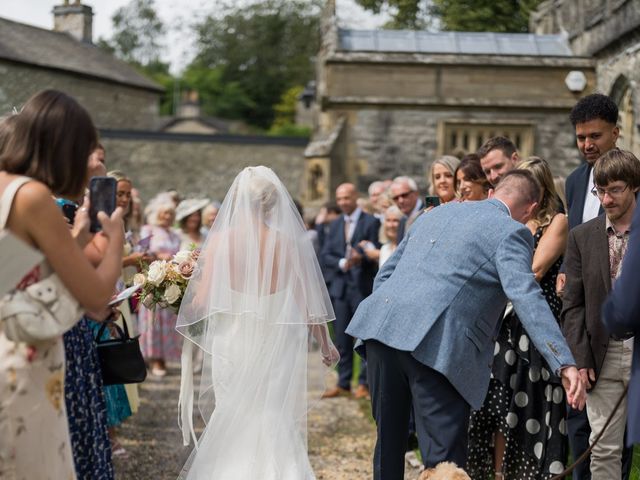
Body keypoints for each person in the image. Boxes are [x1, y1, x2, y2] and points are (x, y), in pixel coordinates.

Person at [346, 170, 586, 480]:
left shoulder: (435, 214)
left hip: (382, 329)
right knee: (443, 460)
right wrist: (563, 362)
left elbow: (385, 275)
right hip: (437, 345)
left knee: (388, 444)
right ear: (531, 208)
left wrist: (394, 313)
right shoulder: (512, 232)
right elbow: (526, 297)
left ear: (490, 193)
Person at [175, 166, 339, 479]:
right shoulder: (286, 243)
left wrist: (177, 287)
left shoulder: (221, 242)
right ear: (274, 206)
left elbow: (202, 303)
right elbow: (308, 303)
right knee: (271, 411)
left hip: (233, 340)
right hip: (274, 341)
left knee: (233, 408)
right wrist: (326, 343)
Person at [0, 90, 124, 479]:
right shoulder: (32, 195)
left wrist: (78, 239)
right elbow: (97, 296)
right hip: (25, 360)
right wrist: (115, 236)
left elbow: (12, 273)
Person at [467, 157, 569, 479]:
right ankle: (497, 473)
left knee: (528, 408)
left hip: (534, 324)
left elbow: (533, 272)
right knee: (499, 407)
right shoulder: (511, 225)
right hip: (504, 326)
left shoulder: (558, 222)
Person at [558, 93, 628, 480]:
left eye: (595, 136)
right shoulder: (574, 180)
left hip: (620, 314)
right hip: (581, 313)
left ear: (616, 132)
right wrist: (568, 269)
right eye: (581, 137)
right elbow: (575, 237)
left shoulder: (631, 176)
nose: (587, 144)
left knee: (615, 430)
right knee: (578, 412)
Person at [320, 183, 380, 399]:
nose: (343, 202)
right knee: (342, 337)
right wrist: (343, 262)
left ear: (355, 197)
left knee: (363, 336)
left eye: (347, 197)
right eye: (340, 198)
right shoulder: (334, 224)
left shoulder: (371, 222)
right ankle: (343, 382)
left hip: (363, 286)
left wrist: (360, 257)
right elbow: (325, 254)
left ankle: (363, 382)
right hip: (341, 287)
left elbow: (376, 250)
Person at [602, 177, 640, 447]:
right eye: (600, 191)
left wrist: (612, 313)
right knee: (603, 444)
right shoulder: (585, 234)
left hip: (626, 337)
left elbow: (624, 309)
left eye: (615, 190)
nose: (606, 199)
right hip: (602, 353)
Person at [137, 197, 182, 377]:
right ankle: (152, 357)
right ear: (157, 214)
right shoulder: (148, 230)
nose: (167, 217)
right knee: (152, 320)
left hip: (170, 280)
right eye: (164, 213)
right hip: (154, 278)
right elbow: (141, 253)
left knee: (167, 320)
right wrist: (157, 256)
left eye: (171, 214)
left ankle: (163, 357)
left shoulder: (175, 234)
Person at [390, 176, 423, 241]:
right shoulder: (402, 220)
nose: (400, 201)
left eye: (404, 195)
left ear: (416, 193)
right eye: (396, 198)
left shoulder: (429, 213)